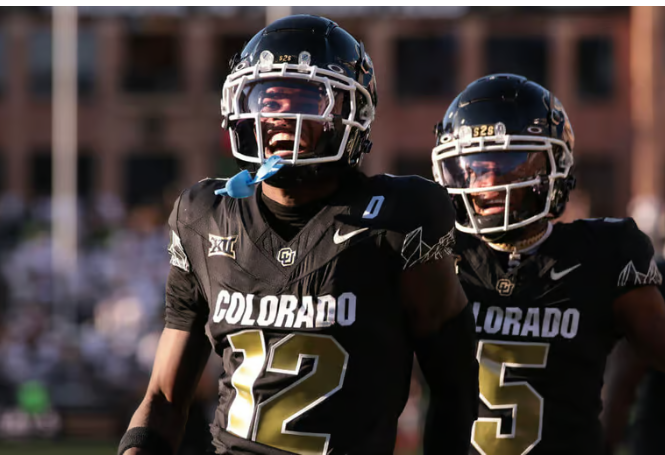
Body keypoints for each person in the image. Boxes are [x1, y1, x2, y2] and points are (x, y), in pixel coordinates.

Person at [119, 15, 478, 455]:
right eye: (265, 100)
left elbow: (456, 389)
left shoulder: (401, 219)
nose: (277, 118)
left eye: (303, 101)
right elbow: (164, 398)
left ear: (351, 113)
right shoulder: (204, 216)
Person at [430, 73, 665, 455]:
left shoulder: (605, 254)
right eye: (473, 165)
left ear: (553, 167)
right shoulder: (434, 256)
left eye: (508, 162)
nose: (487, 183)